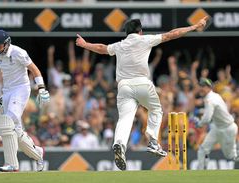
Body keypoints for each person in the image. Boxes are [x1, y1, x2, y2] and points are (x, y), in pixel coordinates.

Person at [75, 16, 209, 170]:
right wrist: (193, 27)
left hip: (124, 86)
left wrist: (85, 44)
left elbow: (101, 48)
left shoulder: (120, 45)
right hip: (142, 83)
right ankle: (153, 141)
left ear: (127, 33)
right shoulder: (145, 39)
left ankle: (119, 143)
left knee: (125, 118)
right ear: (140, 31)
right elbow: (172, 34)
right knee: (157, 109)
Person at [0, 30, 50, 172]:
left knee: (6, 122)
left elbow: (34, 69)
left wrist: (41, 88)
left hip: (21, 89)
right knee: (15, 131)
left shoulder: (18, 52)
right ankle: (38, 153)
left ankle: (12, 164)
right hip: (7, 91)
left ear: (7, 42)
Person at [195, 78, 238, 169]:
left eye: (203, 86)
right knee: (203, 149)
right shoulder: (215, 96)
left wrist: (199, 124)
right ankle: (201, 172)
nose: (201, 88)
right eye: (200, 86)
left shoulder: (210, 99)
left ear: (209, 88)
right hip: (217, 128)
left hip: (227, 128)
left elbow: (207, 118)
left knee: (230, 156)